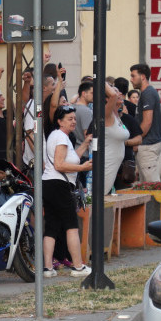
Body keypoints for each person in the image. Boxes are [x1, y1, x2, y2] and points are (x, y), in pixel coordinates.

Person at [42, 105, 93, 278]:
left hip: (49, 184)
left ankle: (48, 268)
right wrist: (82, 167)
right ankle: (78, 267)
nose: (73, 121)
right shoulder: (61, 138)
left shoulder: (58, 137)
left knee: (51, 226)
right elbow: (60, 164)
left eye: (74, 118)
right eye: (69, 119)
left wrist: (85, 143)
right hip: (59, 185)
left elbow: (71, 158)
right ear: (59, 121)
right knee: (71, 226)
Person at [130, 63, 161, 183]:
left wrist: (137, 140)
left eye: (133, 76)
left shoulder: (148, 93)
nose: (131, 79)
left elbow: (147, 122)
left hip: (148, 145)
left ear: (142, 76)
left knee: (152, 185)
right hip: (147, 145)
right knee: (146, 186)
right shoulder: (146, 93)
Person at [100, 85, 132, 192]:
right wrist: (101, 80)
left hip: (115, 164)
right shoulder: (107, 114)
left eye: (118, 91)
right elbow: (113, 95)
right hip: (107, 163)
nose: (118, 94)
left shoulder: (117, 114)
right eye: (115, 91)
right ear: (107, 99)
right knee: (102, 193)